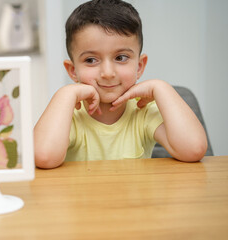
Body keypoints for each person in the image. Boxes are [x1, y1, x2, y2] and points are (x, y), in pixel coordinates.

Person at [34, 0, 207, 169]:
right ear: (73, 71)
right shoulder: (70, 114)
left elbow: (194, 149)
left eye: (120, 58)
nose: (108, 73)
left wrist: (161, 87)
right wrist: (65, 94)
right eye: (91, 60)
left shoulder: (144, 111)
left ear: (139, 67)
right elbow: (43, 156)